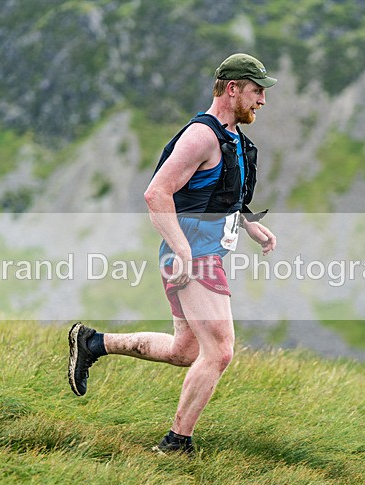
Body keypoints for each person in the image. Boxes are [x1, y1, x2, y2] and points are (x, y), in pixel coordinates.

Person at [68, 53, 278, 455]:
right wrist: (182, 251)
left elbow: (218, 193)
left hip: (200, 254)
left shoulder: (232, 136)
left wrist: (249, 224)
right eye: (257, 91)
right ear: (232, 88)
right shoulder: (201, 135)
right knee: (220, 351)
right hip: (193, 258)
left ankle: (93, 343)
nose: (262, 101)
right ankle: (176, 443)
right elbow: (156, 193)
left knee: (186, 351)